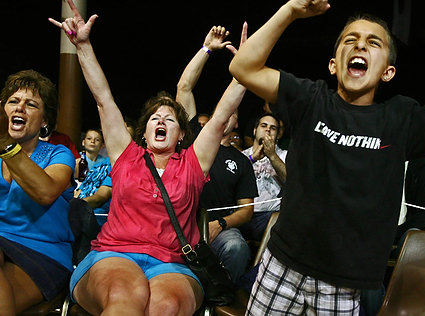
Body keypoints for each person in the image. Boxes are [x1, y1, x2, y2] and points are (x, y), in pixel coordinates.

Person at [229, 0, 425, 313]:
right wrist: (289, 10)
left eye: (374, 42)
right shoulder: (310, 99)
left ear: (388, 71)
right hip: (281, 267)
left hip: (342, 284)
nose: (360, 44)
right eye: (350, 40)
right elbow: (242, 67)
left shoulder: (401, 118)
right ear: (333, 64)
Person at [49, 1, 247, 314]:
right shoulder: (126, 154)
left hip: (172, 263)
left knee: (164, 306)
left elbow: (221, 117)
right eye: (155, 117)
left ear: (181, 134)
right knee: (124, 296)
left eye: (170, 119)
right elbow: (103, 100)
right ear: (144, 131)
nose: (161, 121)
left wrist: (243, 73)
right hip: (115, 254)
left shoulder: (193, 164)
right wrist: (83, 46)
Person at [176, 24, 258, 284]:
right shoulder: (193, 139)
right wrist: (206, 49)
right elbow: (184, 87)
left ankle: (220, 297)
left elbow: (247, 211)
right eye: (225, 109)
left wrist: (219, 224)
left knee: (236, 248)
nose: (228, 112)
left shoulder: (240, 161)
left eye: (234, 110)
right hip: (180, 224)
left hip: (220, 229)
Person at [0, 70, 75, 314]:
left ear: (44, 120)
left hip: (42, 252)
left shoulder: (58, 154)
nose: (19, 108)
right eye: (13, 102)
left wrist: (7, 146)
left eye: (30, 104)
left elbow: (45, 192)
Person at [240, 113, 287, 241]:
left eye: (273, 128)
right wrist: (252, 159)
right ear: (255, 131)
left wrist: (272, 156)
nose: (268, 130)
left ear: (278, 135)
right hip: (242, 215)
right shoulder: (242, 156)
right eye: (264, 126)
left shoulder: (284, 156)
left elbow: (292, 182)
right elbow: (232, 181)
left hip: (269, 217)